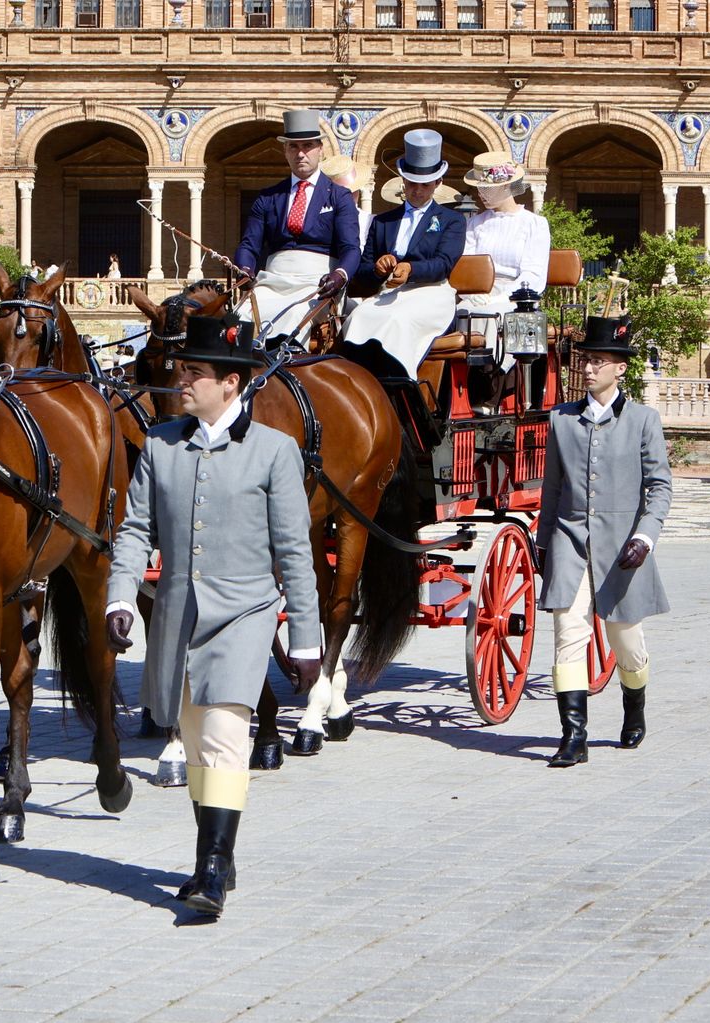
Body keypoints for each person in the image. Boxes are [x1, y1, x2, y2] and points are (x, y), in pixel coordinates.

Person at [105, 312, 321, 918]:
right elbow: (134, 530)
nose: (182, 383)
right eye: (182, 371)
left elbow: (294, 552)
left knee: (225, 737)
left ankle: (211, 870)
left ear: (231, 383)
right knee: (196, 739)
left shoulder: (276, 452)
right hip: (176, 612)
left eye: (195, 373)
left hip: (246, 612)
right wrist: (121, 595)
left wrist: (305, 636)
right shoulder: (160, 444)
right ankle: (215, 858)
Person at [536, 315, 672, 768]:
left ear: (621, 369)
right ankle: (573, 737)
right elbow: (552, 490)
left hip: (622, 550)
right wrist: (543, 543)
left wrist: (645, 537)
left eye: (598, 361)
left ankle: (634, 705)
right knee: (567, 635)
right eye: (586, 361)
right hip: (569, 542)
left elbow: (659, 487)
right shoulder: (561, 420)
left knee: (625, 640)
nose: (589, 369)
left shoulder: (643, 421)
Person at [343, 128, 467, 378]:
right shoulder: (383, 221)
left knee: (397, 321)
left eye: (424, 185)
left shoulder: (452, 220)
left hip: (431, 294)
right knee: (359, 317)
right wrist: (378, 269)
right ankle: (361, 385)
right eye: (412, 184)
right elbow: (364, 269)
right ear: (403, 181)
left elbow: (443, 264)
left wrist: (411, 269)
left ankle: (403, 389)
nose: (417, 191)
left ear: (437, 183)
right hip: (388, 293)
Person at [232, 109, 361, 347]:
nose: (301, 153)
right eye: (294, 146)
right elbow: (249, 244)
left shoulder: (339, 196)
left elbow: (351, 248)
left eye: (308, 146)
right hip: (272, 281)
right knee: (240, 317)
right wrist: (245, 268)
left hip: (317, 283)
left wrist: (339, 275)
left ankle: (284, 377)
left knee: (293, 316)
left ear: (320, 149)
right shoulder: (268, 197)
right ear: (285, 150)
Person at [460, 151, 551, 368]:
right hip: (479, 294)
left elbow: (534, 274)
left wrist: (502, 295)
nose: (481, 194)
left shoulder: (534, 224)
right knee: (460, 313)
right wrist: (472, 292)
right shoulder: (475, 224)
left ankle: (491, 383)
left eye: (487, 188)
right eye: (479, 188)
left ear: (505, 186)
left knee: (491, 316)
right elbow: (465, 266)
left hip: (517, 298)